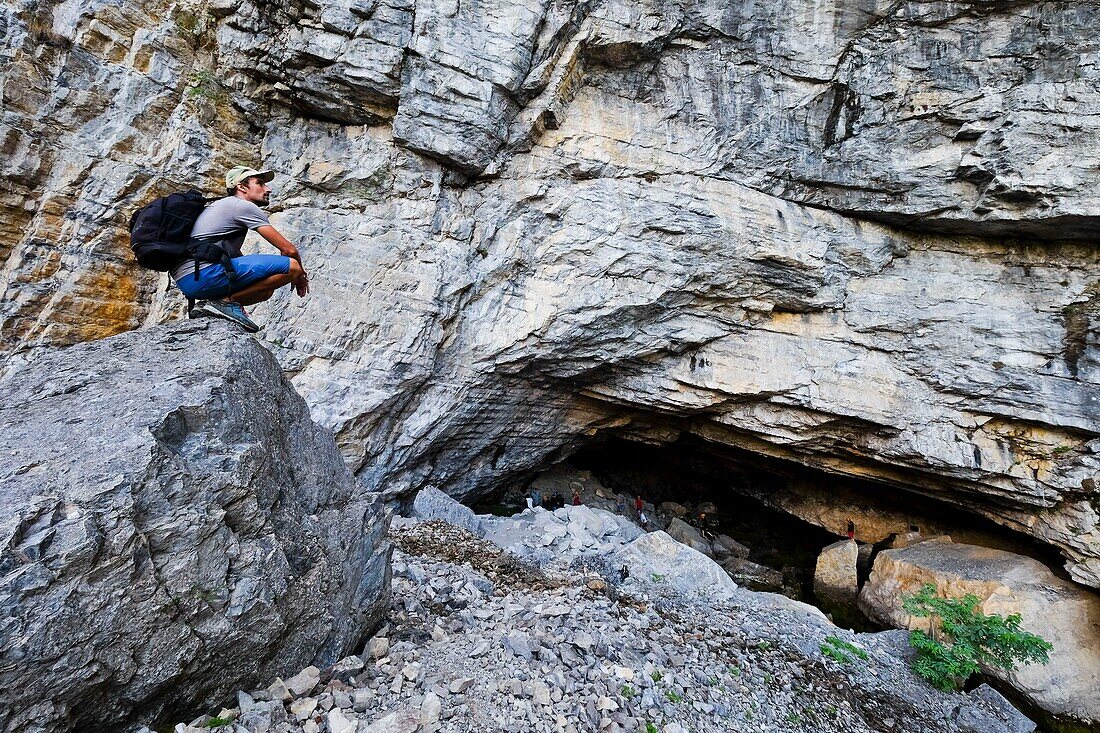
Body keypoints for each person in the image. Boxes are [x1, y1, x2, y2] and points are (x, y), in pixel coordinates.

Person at [174, 165, 309, 332]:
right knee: (292, 267)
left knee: (265, 290)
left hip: (189, 281)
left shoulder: (223, 206)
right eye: (260, 183)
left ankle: (219, 304)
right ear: (242, 187)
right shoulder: (242, 206)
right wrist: (300, 276)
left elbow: (234, 258)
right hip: (203, 275)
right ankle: (225, 302)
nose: (268, 189)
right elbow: (289, 250)